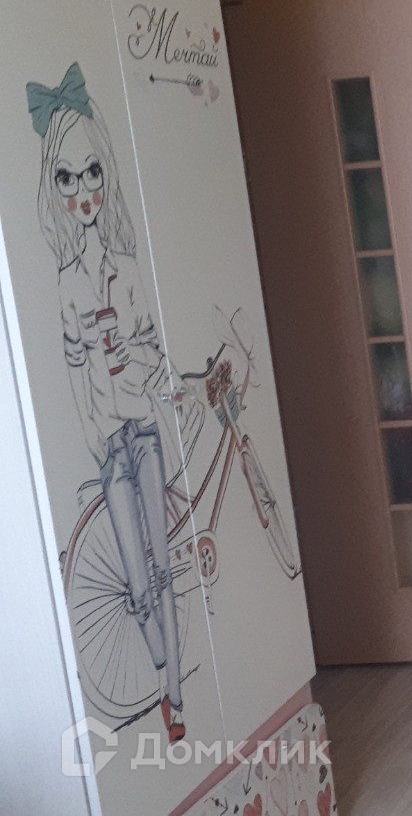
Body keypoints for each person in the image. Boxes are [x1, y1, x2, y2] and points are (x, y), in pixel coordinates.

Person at [28, 62, 186, 742]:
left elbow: (150, 344)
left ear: (106, 176)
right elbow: (71, 364)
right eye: (68, 179)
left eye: (92, 173)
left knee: (163, 565)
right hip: (110, 443)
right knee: (135, 578)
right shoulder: (66, 283)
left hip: (144, 430)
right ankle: (162, 667)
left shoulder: (125, 265)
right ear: (55, 190)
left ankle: (175, 697)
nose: (83, 190)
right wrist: (93, 425)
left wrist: (139, 363)